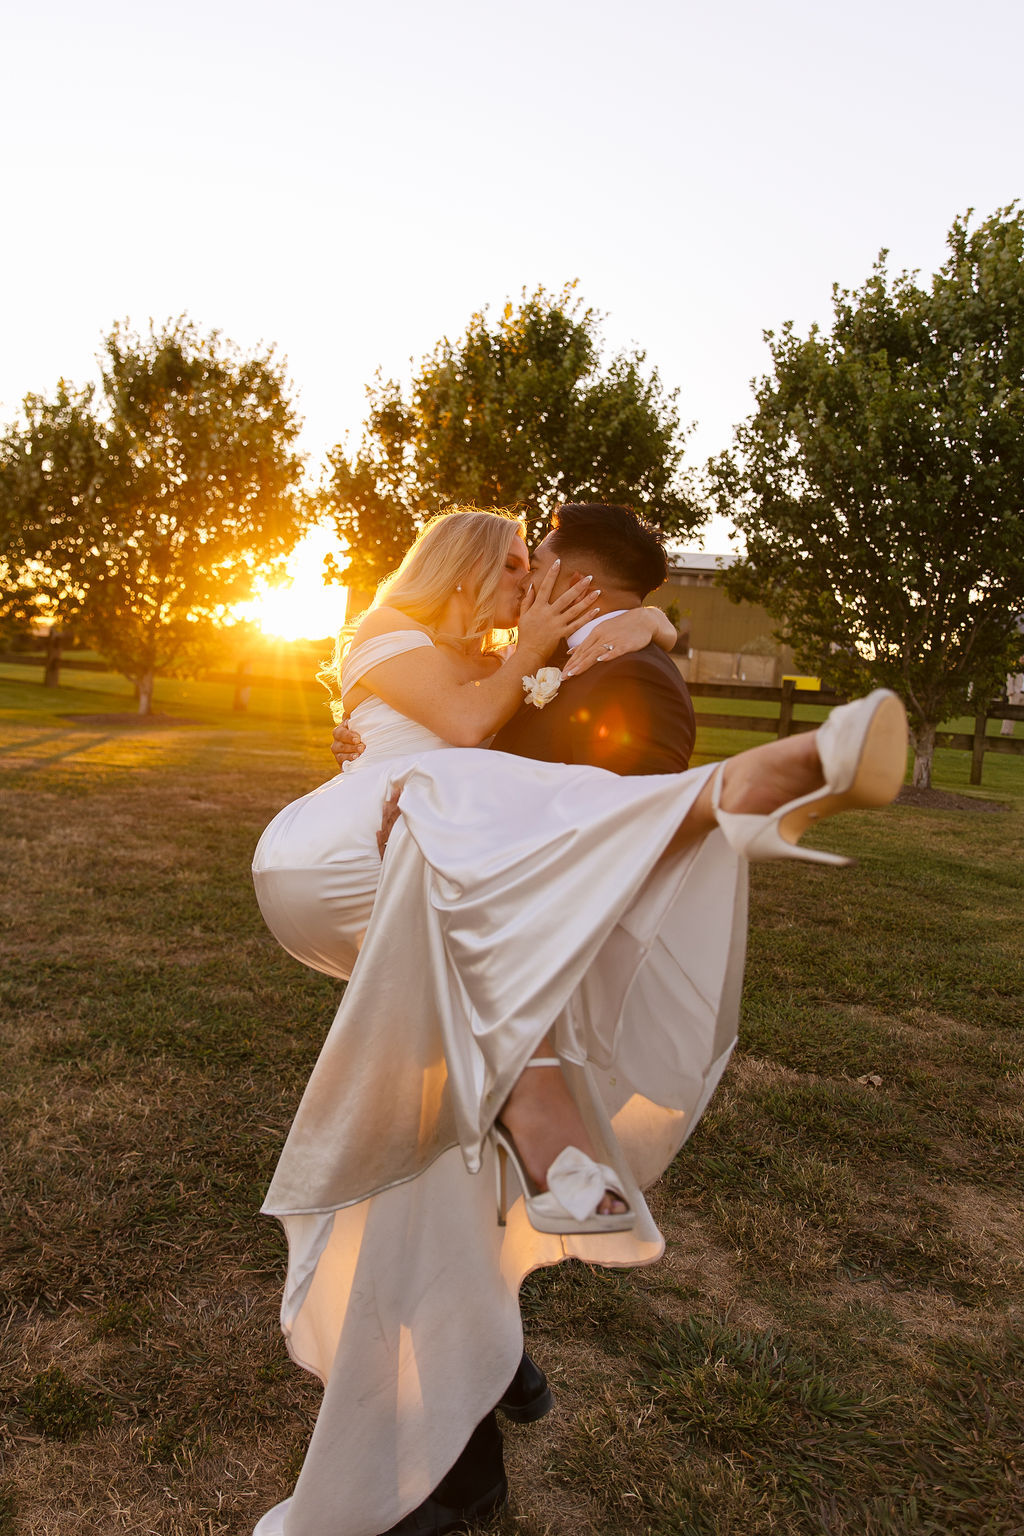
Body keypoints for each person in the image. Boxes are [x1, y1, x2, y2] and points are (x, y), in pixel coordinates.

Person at [251, 505, 908, 1536]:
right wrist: (544, 652)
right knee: (457, 793)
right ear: (466, 568)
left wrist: (649, 628)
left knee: (432, 1142)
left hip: (435, 888)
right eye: (514, 562)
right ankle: (754, 785)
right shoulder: (392, 632)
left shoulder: (510, 660)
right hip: (345, 853)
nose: (529, 578)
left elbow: (595, 660)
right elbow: (469, 729)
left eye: (537, 560)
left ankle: (490, 1358)